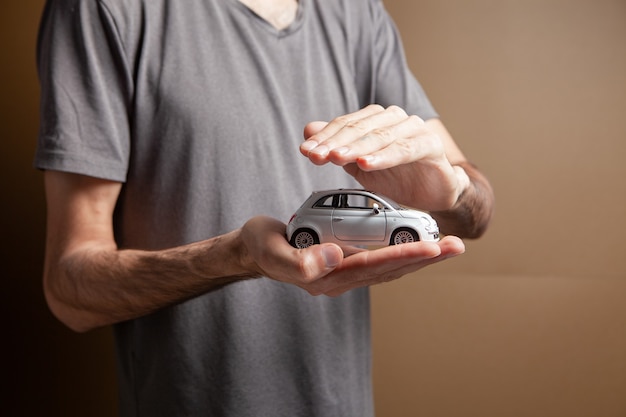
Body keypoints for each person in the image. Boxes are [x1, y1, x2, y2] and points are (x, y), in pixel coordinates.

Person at [35, 0, 494, 415]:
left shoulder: (358, 15)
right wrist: (233, 257)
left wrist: (451, 191)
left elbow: (475, 209)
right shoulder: (104, 8)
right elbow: (68, 290)